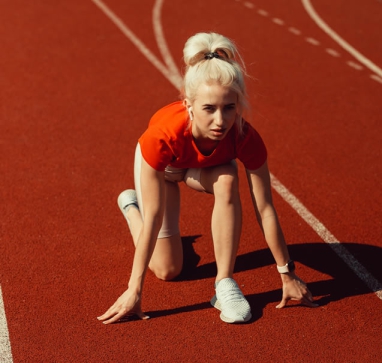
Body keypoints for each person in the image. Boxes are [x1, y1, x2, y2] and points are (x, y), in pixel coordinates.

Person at [97, 32, 317, 325]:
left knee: (228, 177)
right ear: (188, 104)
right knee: (168, 270)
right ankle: (130, 206)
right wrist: (133, 289)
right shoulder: (161, 138)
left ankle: (224, 283)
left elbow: (265, 209)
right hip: (164, 171)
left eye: (229, 108)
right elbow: (155, 217)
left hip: (199, 170)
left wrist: (286, 274)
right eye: (208, 109)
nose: (220, 121)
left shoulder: (244, 136)